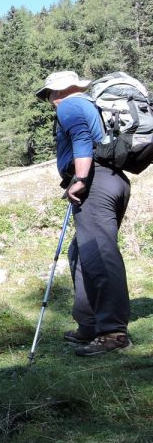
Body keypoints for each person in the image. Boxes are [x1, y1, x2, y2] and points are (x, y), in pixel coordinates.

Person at [35, 70, 132, 355]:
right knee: (81, 253)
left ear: (58, 91)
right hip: (109, 179)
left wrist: (79, 179)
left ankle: (113, 333)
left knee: (99, 254)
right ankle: (89, 323)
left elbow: (81, 138)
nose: (50, 101)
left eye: (49, 94)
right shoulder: (88, 105)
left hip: (95, 181)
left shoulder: (71, 105)